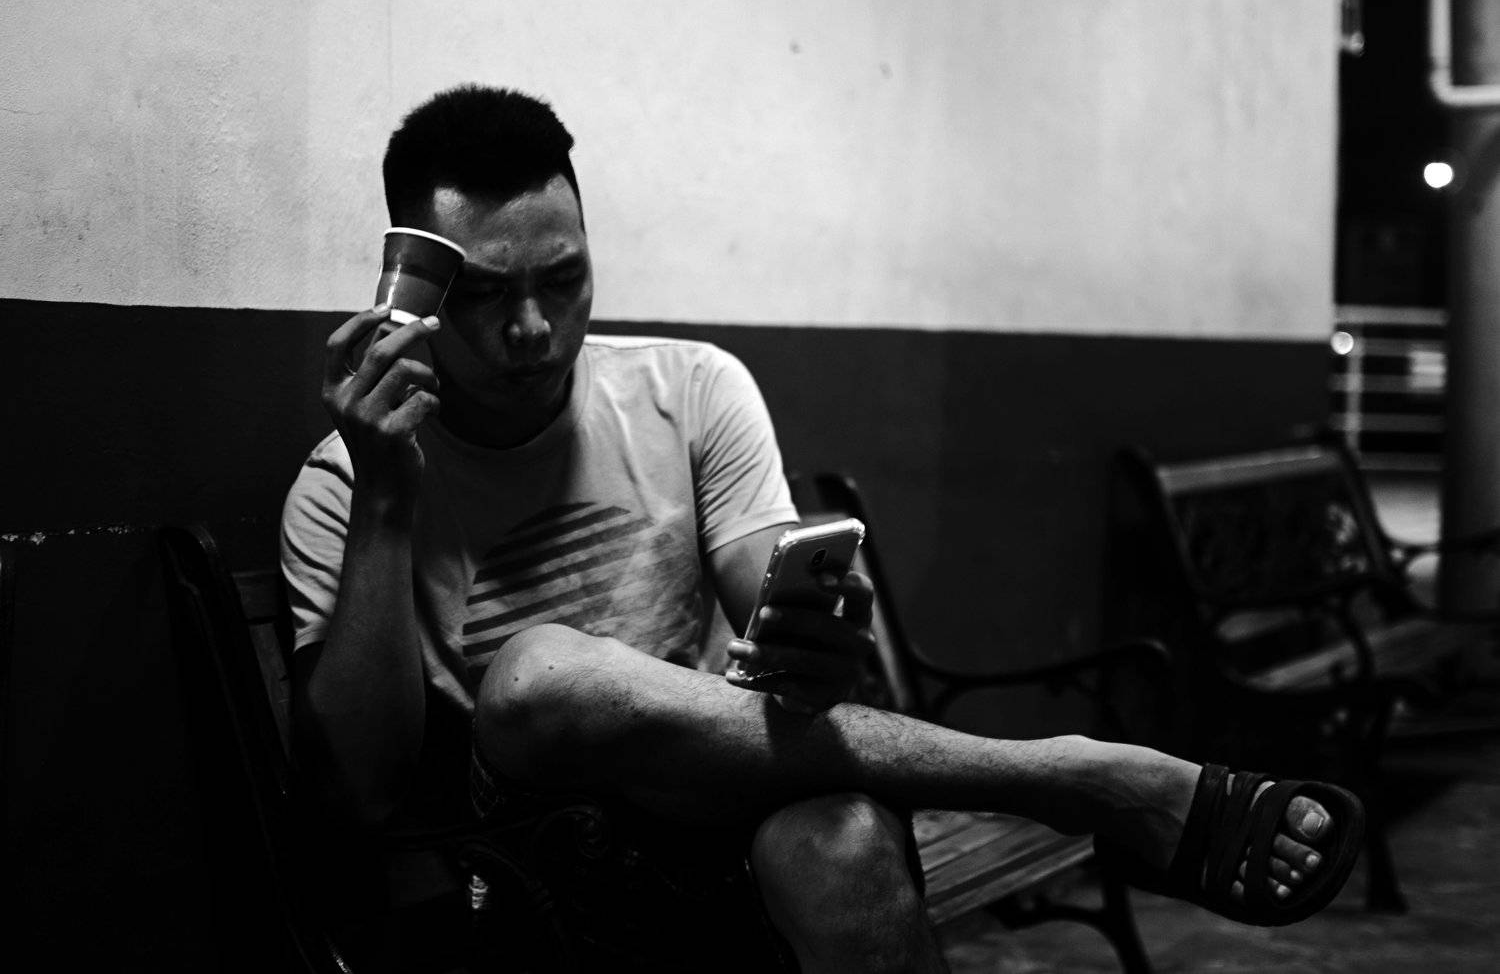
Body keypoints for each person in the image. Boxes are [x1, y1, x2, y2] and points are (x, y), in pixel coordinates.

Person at [281, 84, 1363, 973]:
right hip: (526, 851)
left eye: (563, 281)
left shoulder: (688, 388)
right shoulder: (344, 485)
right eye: (482, 296)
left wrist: (817, 632)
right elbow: (360, 788)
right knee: (533, 673)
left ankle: (1079, 779)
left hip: (715, 792)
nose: (532, 328)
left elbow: (779, 615)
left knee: (841, 842)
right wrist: (388, 497)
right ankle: (1060, 775)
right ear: (413, 291)